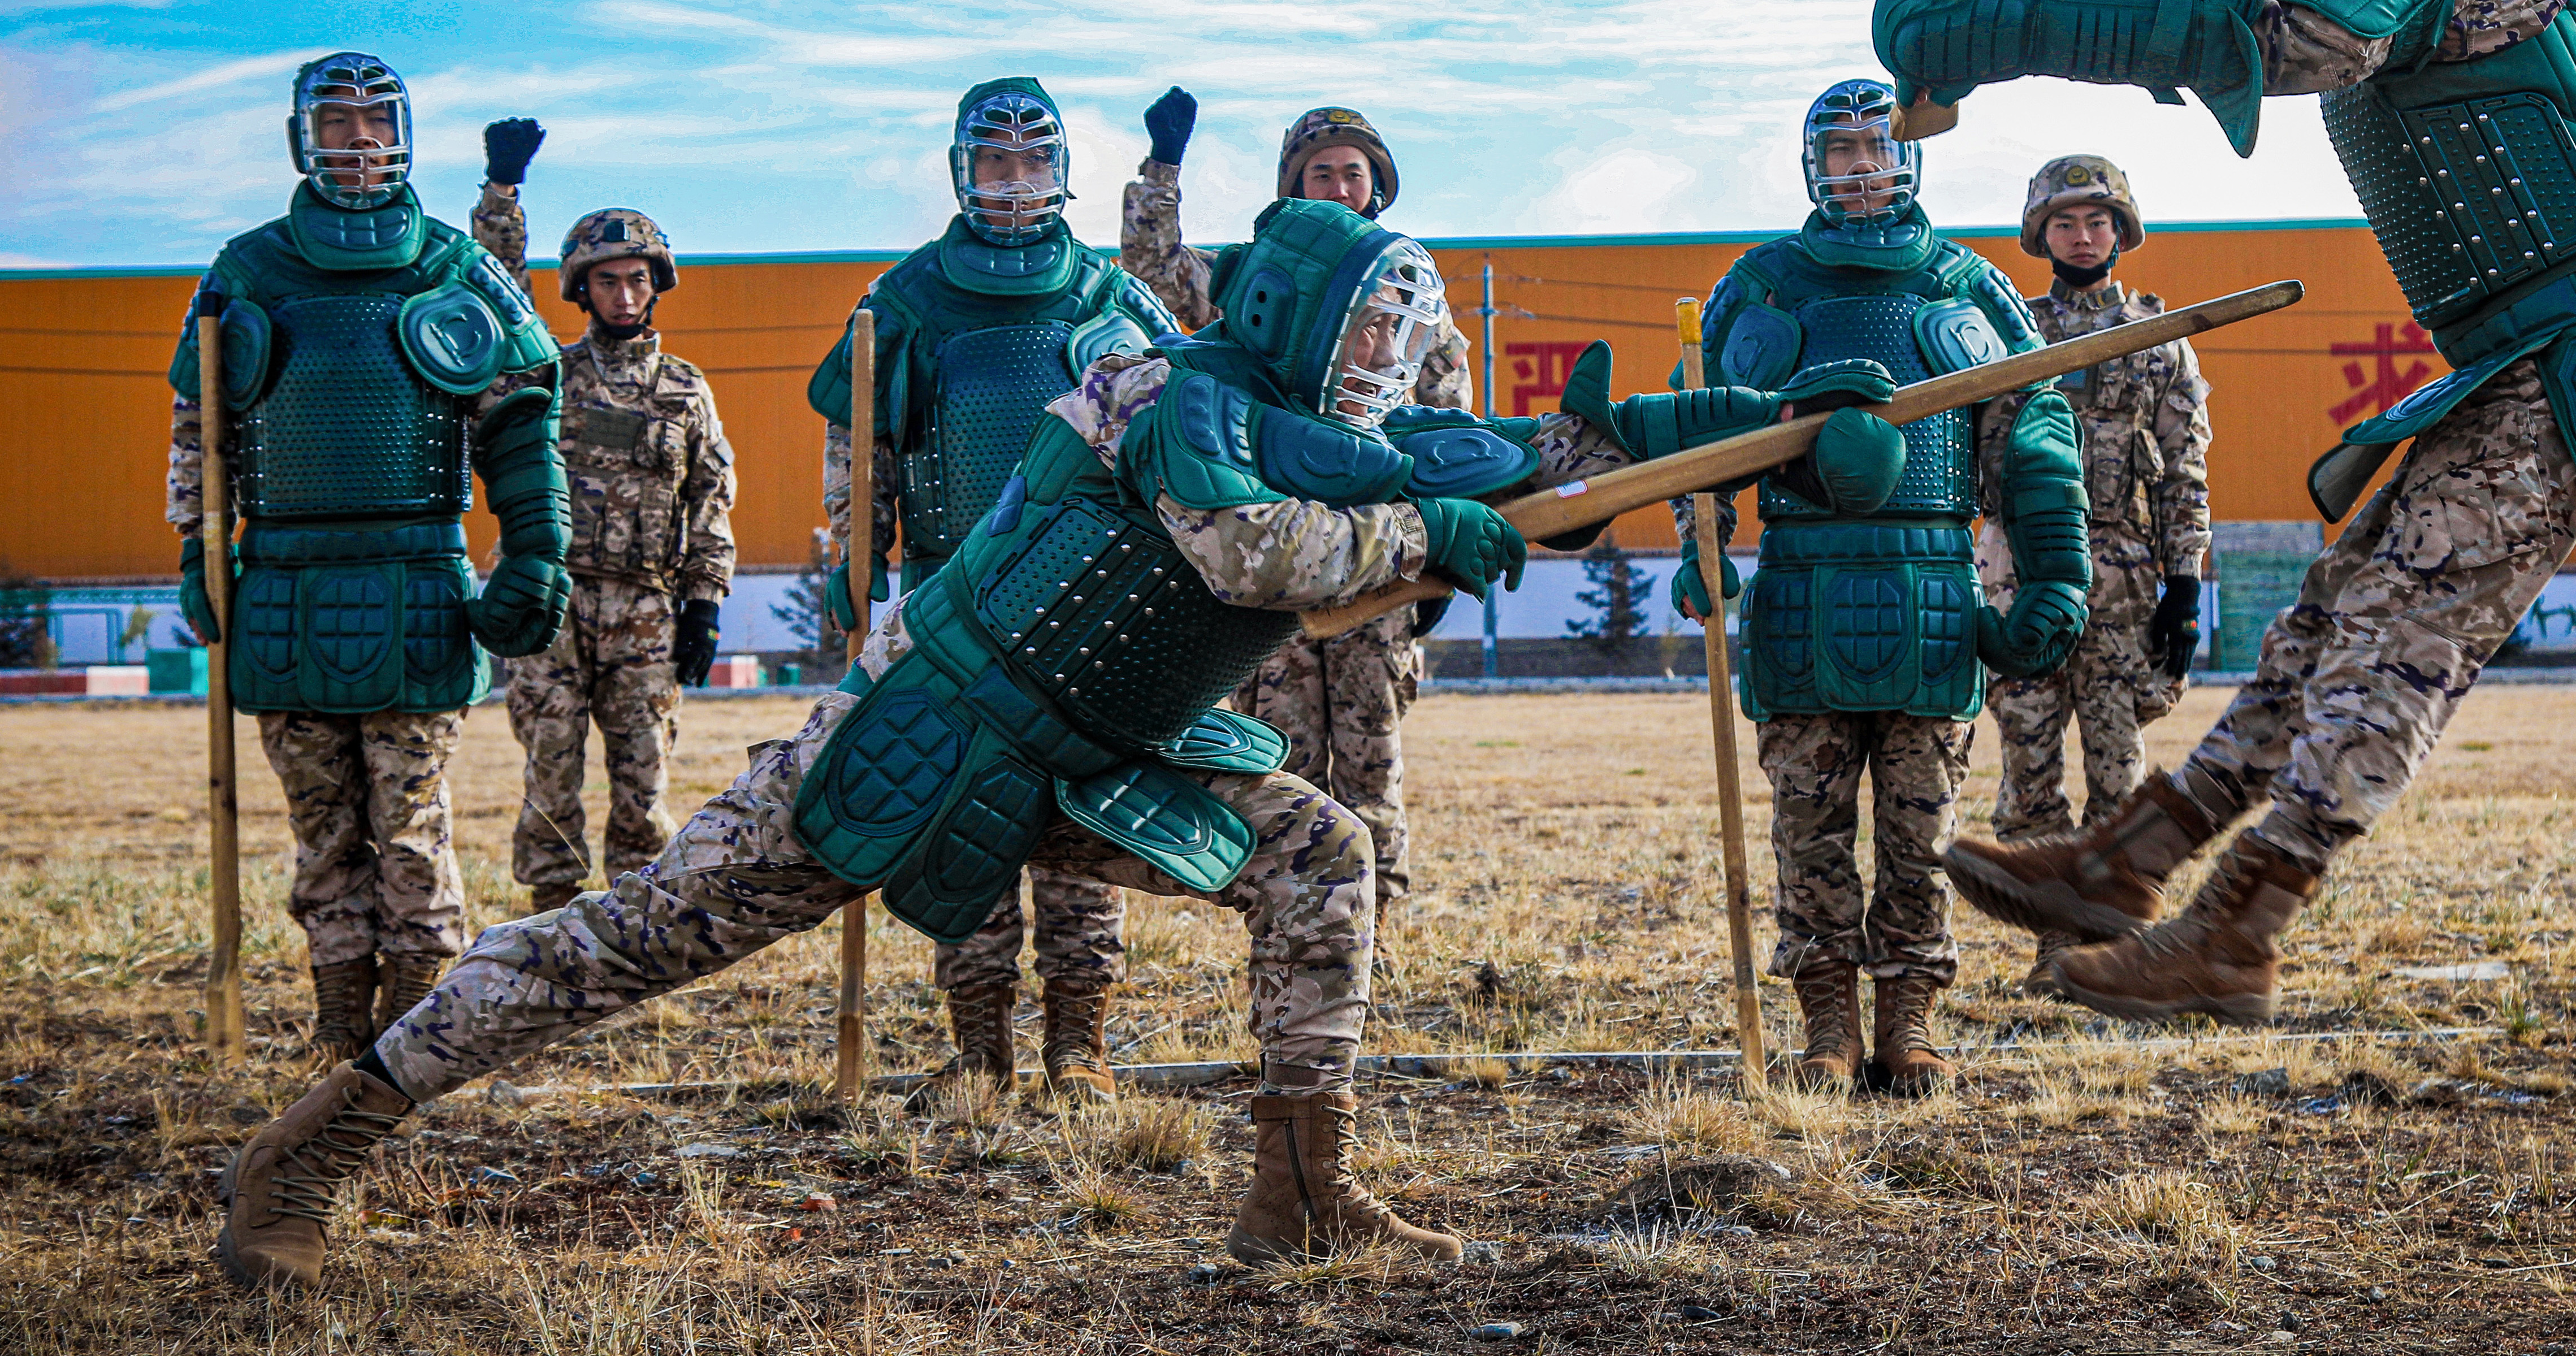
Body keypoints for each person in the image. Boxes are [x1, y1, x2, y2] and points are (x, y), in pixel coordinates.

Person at [214, 197, 1859, 1292]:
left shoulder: (1333, 433)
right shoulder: (1160, 392)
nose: (1377, 366)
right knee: (640, 934)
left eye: (1392, 343)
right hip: (932, 725)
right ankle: (311, 1151)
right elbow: (1247, 553)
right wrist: (1422, 529)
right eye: (1357, 332)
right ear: (1289, 312)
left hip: (1107, 743)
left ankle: (1296, 1192)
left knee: (1318, 857)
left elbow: (1536, 454)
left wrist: (1746, 442)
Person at [1880, 0, 2576, 1024]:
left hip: (2566, 366)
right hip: (2512, 365)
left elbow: (2260, 35)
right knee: (2321, 630)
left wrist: (2020, 27)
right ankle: (2125, 866)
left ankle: (2238, 931)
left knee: (2393, 650)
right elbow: (2212, 19)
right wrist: (2029, 15)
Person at [1679, 79, 2092, 1091]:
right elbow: (1705, 438)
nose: (1861, 166)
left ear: (1910, 157)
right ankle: (1828, 1025)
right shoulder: (1765, 285)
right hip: (1802, 585)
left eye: (1878, 146)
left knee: (1923, 831)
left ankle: (1909, 1017)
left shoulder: (1967, 286)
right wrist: (1704, 547)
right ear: (1810, 161)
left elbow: (2030, 438)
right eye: (1841, 150)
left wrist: (2053, 576)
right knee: (1807, 827)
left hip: (1931, 589)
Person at [164, 54, 569, 1062]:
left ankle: (420, 1031)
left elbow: (520, 418)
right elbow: (199, 424)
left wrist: (535, 551)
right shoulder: (246, 269)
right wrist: (194, 544)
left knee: (412, 821)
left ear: (404, 132)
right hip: (287, 583)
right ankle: (343, 1026)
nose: (357, 142)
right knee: (324, 832)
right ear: (304, 137)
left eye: (374, 122)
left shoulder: (449, 265)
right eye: (337, 123)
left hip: (416, 578)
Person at [809, 77, 1184, 1099]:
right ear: (962, 169)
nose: (1014, 181)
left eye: (1032, 161)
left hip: (1082, 600)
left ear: (1060, 171)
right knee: (961, 819)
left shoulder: (1105, 297)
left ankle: (1080, 1046)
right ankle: (979, 1048)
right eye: (995, 160)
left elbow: (1168, 426)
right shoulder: (907, 301)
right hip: (950, 596)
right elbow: (860, 445)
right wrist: (858, 562)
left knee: (1079, 823)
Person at [1120, 94, 1473, 934]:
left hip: (1375, 568)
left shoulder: (1417, 305)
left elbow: (1446, 434)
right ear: (1292, 186)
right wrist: (1161, 170)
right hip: (1271, 566)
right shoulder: (1256, 286)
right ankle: (1291, 944)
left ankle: (1374, 944)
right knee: (1280, 771)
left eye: (1355, 173)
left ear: (1376, 188)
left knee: (1371, 770)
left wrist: (1437, 558)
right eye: (1322, 173)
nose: (1340, 186)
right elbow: (1150, 265)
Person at [469, 128, 739, 916]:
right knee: (549, 780)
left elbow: (711, 502)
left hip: (648, 613)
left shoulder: (686, 391)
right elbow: (495, 291)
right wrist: (502, 193)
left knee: (643, 789)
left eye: (635, 280)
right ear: (581, 291)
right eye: (606, 281)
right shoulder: (546, 375)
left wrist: (705, 604)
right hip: (555, 607)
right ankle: (548, 938)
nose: (623, 295)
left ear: (656, 286)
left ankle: (633, 940)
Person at [1973, 157, 2210, 981]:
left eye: (2098, 221)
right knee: (2028, 764)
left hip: (2122, 585)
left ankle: (2110, 931)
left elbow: (2183, 470)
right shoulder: (2006, 334)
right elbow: (1973, 453)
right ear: (2042, 233)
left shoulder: (2157, 340)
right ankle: (2053, 937)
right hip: (2025, 580)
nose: (2083, 236)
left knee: (2118, 770)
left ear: (2121, 231)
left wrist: (2184, 584)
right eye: (2066, 222)